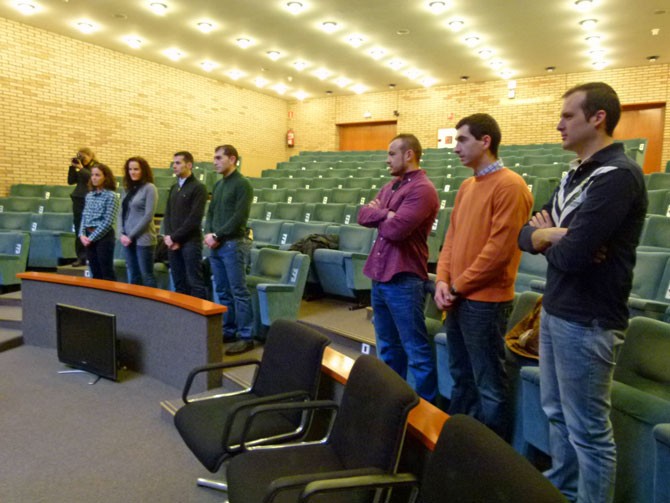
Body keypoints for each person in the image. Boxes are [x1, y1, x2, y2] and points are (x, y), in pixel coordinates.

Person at [518, 82, 647, 503]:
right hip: (557, 309)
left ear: (598, 118)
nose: (559, 124)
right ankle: (564, 489)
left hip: (589, 320)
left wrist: (550, 238)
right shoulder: (575, 174)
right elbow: (524, 235)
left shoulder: (618, 176)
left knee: (588, 432)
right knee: (556, 414)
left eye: (568, 115)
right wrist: (551, 236)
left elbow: (573, 256)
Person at [434, 113, 532, 438]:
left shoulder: (511, 186)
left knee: (488, 383)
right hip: (458, 297)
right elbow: (451, 239)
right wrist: (441, 280)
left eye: (462, 140)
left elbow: (498, 252)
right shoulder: (467, 186)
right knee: (460, 374)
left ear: (485, 141)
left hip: (485, 303)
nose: (455, 147)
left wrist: (456, 286)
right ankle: (460, 440)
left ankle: (490, 452)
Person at [357, 134, 439, 402]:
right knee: (388, 347)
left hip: (404, 279)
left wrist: (380, 215)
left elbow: (396, 230)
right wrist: (385, 213)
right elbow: (362, 215)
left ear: (409, 154)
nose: (387, 159)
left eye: (392, 154)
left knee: (415, 350)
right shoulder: (390, 186)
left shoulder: (423, 189)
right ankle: (393, 402)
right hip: (380, 275)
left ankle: (424, 411)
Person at [204, 144, 254, 355]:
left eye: (219, 158)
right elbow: (211, 213)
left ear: (232, 159)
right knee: (223, 290)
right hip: (216, 245)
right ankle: (229, 330)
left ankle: (246, 336)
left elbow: (239, 217)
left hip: (233, 244)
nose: (214, 162)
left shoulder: (243, 184)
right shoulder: (218, 185)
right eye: (214, 158)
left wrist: (217, 235)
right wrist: (208, 233)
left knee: (239, 291)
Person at [163, 151, 208, 300]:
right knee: (179, 282)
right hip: (173, 242)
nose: (174, 166)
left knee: (195, 282)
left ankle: (198, 314)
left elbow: (194, 219)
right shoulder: (174, 188)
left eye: (178, 163)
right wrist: (169, 237)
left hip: (190, 242)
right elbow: (168, 214)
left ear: (189, 165)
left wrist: (175, 238)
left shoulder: (198, 187)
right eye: (173, 163)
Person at [118, 156, 158, 287]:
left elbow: (148, 215)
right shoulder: (128, 189)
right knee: (134, 275)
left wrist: (130, 236)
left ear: (143, 171)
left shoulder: (150, 188)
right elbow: (121, 213)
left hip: (143, 238)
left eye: (136, 169)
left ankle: (151, 300)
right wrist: (121, 233)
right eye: (130, 169)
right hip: (127, 239)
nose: (132, 172)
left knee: (147, 275)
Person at [79, 164, 120, 281]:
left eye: (97, 175)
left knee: (106, 271)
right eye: (92, 175)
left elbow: (108, 221)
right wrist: (82, 234)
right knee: (95, 271)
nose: (94, 178)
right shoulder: (89, 196)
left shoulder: (111, 196)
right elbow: (84, 216)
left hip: (104, 237)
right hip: (88, 236)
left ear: (105, 177)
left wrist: (91, 238)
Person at [67, 147, 97, 267]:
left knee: (91, 228)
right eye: (79, 156)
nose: (81, 159)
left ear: (91, 156)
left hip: (91, 200)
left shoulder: (96, 167)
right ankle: (81, 257)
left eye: (83, 156)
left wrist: (81, 168)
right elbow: (70, 181)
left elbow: (92, 178)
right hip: (78, 200)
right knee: (79, 229)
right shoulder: (79, 167)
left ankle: (92, 256)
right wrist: (72, 167)